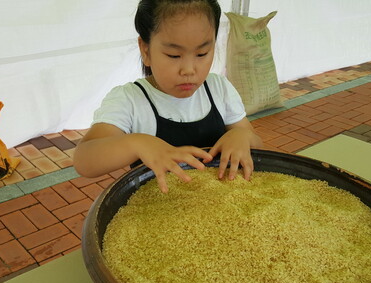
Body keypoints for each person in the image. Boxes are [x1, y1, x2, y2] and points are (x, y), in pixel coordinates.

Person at [73, 0, 263, 193]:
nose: (189, 70)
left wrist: (242, 136)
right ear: (146, 50)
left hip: (222, 204)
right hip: (160, 210)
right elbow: (84, 160)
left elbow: (258, 145)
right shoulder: (130, 100)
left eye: (202, 53)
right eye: (174, 55)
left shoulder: (219, 89)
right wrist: (137, 143)